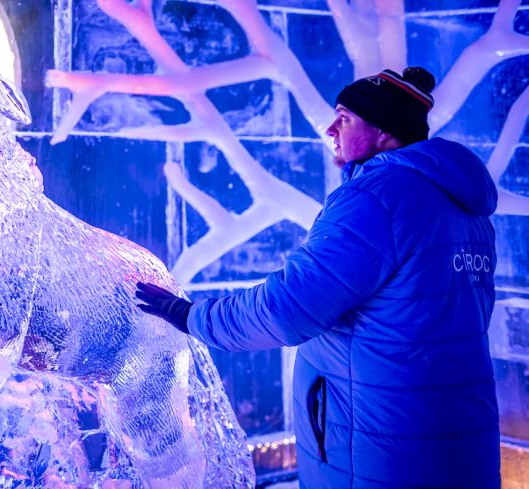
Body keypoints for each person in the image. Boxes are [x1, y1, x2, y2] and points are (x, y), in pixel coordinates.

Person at [136, 67, 500, 488]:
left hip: (384, 454)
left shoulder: (377, 199)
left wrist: (191, 316)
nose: (331, 128)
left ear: (383, 131)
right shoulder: (465, 207)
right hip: (460, 443)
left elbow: (286, 309)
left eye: (344, 117)